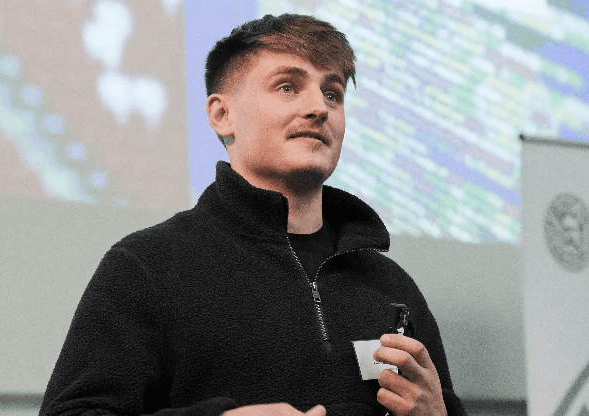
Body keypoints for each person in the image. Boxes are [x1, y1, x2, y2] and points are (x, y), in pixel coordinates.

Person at [39, 13, 467, 416]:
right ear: (222, 115)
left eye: (332, 93)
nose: (319, 108)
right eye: (288, 87)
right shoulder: (148, 266)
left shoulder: (389, 283)